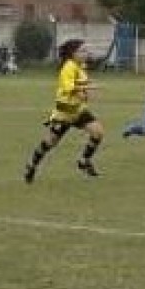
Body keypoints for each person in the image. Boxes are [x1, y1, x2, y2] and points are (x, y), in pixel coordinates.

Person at [24, 39, 105, 183]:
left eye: (86, 50)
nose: (86, 53)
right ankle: (32, 165)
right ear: (73, 53)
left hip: (78, 110)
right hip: (64, 112)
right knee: (50, 143)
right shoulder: (68, 67)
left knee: (98, 132)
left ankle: (84, 161)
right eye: (82, 51)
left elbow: (81, 86)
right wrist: (88, 89)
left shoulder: (81, 66)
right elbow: (69, 88)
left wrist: (86, 93)